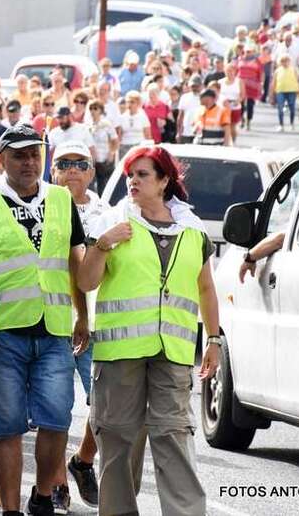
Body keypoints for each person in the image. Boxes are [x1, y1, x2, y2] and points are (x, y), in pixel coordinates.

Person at [0, 123, 88, 516]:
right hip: (2, 333)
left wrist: (83, 315)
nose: (29, 162)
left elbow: (75, 263)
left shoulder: (62, 200)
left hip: (55, 330)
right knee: (8, 428)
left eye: (34, 155)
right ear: (1, 159)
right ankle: (10, 510)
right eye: (19, 155)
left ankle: (42, 496)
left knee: (57, 420)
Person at [79, 145, 221, 516]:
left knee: (173, 436)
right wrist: (103, 244)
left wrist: (214, 339)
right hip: (120, 353)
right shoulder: (110, 221)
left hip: (172, 352)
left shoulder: (192, 229)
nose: (133, 181)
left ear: (164, 181)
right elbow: (86, 281)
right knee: (118, 439)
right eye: (130, 174)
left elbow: (206, 287)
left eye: (142, 174)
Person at [46, 140, 110, 512]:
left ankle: (83, 460)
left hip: (95, 321)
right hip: (50, 320)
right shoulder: (39, 206)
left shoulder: (107, 213)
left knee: (104, 406)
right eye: (63, 163)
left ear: (90, 171)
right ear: (53, 171)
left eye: (79, 163)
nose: (71, 169)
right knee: (54, 410)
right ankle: (56, 485)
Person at [87, 100, 118, 196]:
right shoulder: (88, 125)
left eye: (95, 108)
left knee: (103, 185)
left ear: (101, 110)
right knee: (91, 186)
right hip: (92, 160)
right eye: (91, 108)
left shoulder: (106, 124)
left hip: (104, 159)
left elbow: (115, 140)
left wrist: (111, 153)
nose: (93, 111)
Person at [270, 53, 299, 132]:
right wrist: (271, 94)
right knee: (280, 108)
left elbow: (298, 81)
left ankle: (292, 124)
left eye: (286, 61)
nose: (285, 62)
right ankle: (281, 125)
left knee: (292, 108)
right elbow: (274, 82)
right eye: (283, 61)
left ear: (289, 61)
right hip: (280, 91)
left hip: (292, 91)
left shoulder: (294, 69)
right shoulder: (277, 71)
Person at [117, 91, 152, 159]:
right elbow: (119, 136)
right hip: (124, 147)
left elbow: (148, 135)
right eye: (128, 102)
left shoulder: (143, 116)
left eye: (132, 102)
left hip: (139, 146)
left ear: (138, 103)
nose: (129, 104)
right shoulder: (122, 117)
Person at [236, 46, 264, 130]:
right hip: (241, 84)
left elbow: (261, 72)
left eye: (249, 51)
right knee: (240, 103)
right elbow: (236, 70)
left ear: (253, 52)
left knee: (250, 104)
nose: (247, 53)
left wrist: (261, 84)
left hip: (252, 85)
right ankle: (241, 119)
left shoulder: (257, 61)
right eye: (246, 51)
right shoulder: (240, 59)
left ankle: (248, 121)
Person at [219, 63, 245, 143]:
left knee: (232, 126)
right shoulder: (220, 82)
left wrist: (238, 101)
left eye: (231, 71)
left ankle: (233, 141)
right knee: (224, 125)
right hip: (223, 107)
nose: (229, 72)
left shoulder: (239, 81)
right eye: (227, 71)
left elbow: (242, 95)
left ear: (234, 71)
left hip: (234, 106)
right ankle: (224, 141)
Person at [176, 75, 203, 144]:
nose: (194, 88)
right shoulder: (184, 97)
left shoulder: (205, 97)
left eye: (196, 86)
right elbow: (180, 116)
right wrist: (179, 132)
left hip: (200, 134)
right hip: (186, 132)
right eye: (192, 86)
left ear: (201, 86)